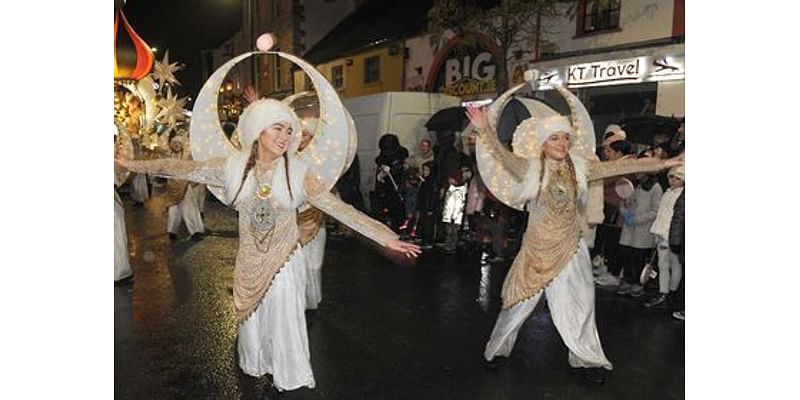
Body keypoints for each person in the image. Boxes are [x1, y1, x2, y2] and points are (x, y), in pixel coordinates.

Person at [117, 98, 420, 393]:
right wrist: (133, 163)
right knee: (253, 320)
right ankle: (258, 366)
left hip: (286, 258)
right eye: (277, 128)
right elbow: (179, 167)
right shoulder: (232, 168)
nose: (284, 136)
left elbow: (341, 209)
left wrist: (386, 236)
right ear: (258, 130)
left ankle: (289, 376)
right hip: (249, 260)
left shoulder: (299, 175)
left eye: (289, 130)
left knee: (285, 319)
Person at [467, 100, 683, 384]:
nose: (561, 142)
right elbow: (502, 156)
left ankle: (584, 358)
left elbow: (619, 166)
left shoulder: (580, 167)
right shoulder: (531, 168)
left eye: (565, 137)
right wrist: (485, 130)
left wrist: (666, 162)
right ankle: (497, 350)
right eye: (554, 137)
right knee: (517, 304)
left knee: (582, 303)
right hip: (538, 249)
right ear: (543, 143)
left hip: (571, 245)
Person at [616, 164, 662, 298]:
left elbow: (655, 210)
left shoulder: (655, 187)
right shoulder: (633, 185)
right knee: (626, 254)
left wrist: (637, 219)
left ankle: (637, 283)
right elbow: (624, 202)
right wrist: (625, 213)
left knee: (638, 257)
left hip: (643, 229)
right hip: (629, 228)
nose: (637, 173)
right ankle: (628, 280)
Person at [644, 165, 684, 308]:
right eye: (671, 177)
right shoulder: (667, 193)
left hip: (671, 235)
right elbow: (662, 215)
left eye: (678, 178)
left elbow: (674, 218)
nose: (673, 180)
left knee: (674, 265)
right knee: (663, 265)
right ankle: (664, 293)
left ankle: (669, 294)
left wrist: (667, 236)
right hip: (663, 234)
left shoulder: (680, 195)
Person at [163, 135, 206, 241]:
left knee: (189, 208)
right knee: (173, 209)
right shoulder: (169, 156)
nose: (176, 146)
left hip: (185, 186)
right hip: (173, 187)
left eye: (178, 144)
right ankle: (172, 231)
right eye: (175, 144)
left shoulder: (187, 156)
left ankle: (195, 231)